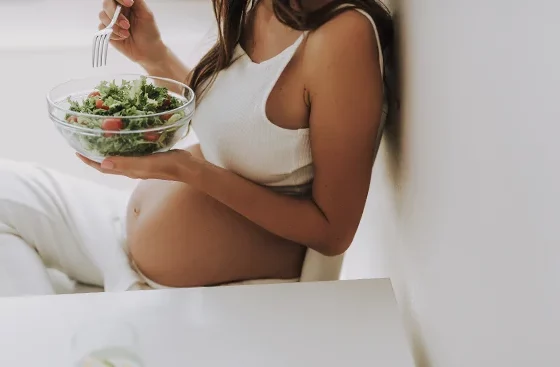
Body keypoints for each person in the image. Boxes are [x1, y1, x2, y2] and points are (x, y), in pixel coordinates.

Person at [0, 0, 395, 296]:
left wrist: (186, 171)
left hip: (184, 291)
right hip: (121, 233)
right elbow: (237, 118)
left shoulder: (343, 37)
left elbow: (332, 232)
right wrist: (151, 52)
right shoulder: (258, 4)